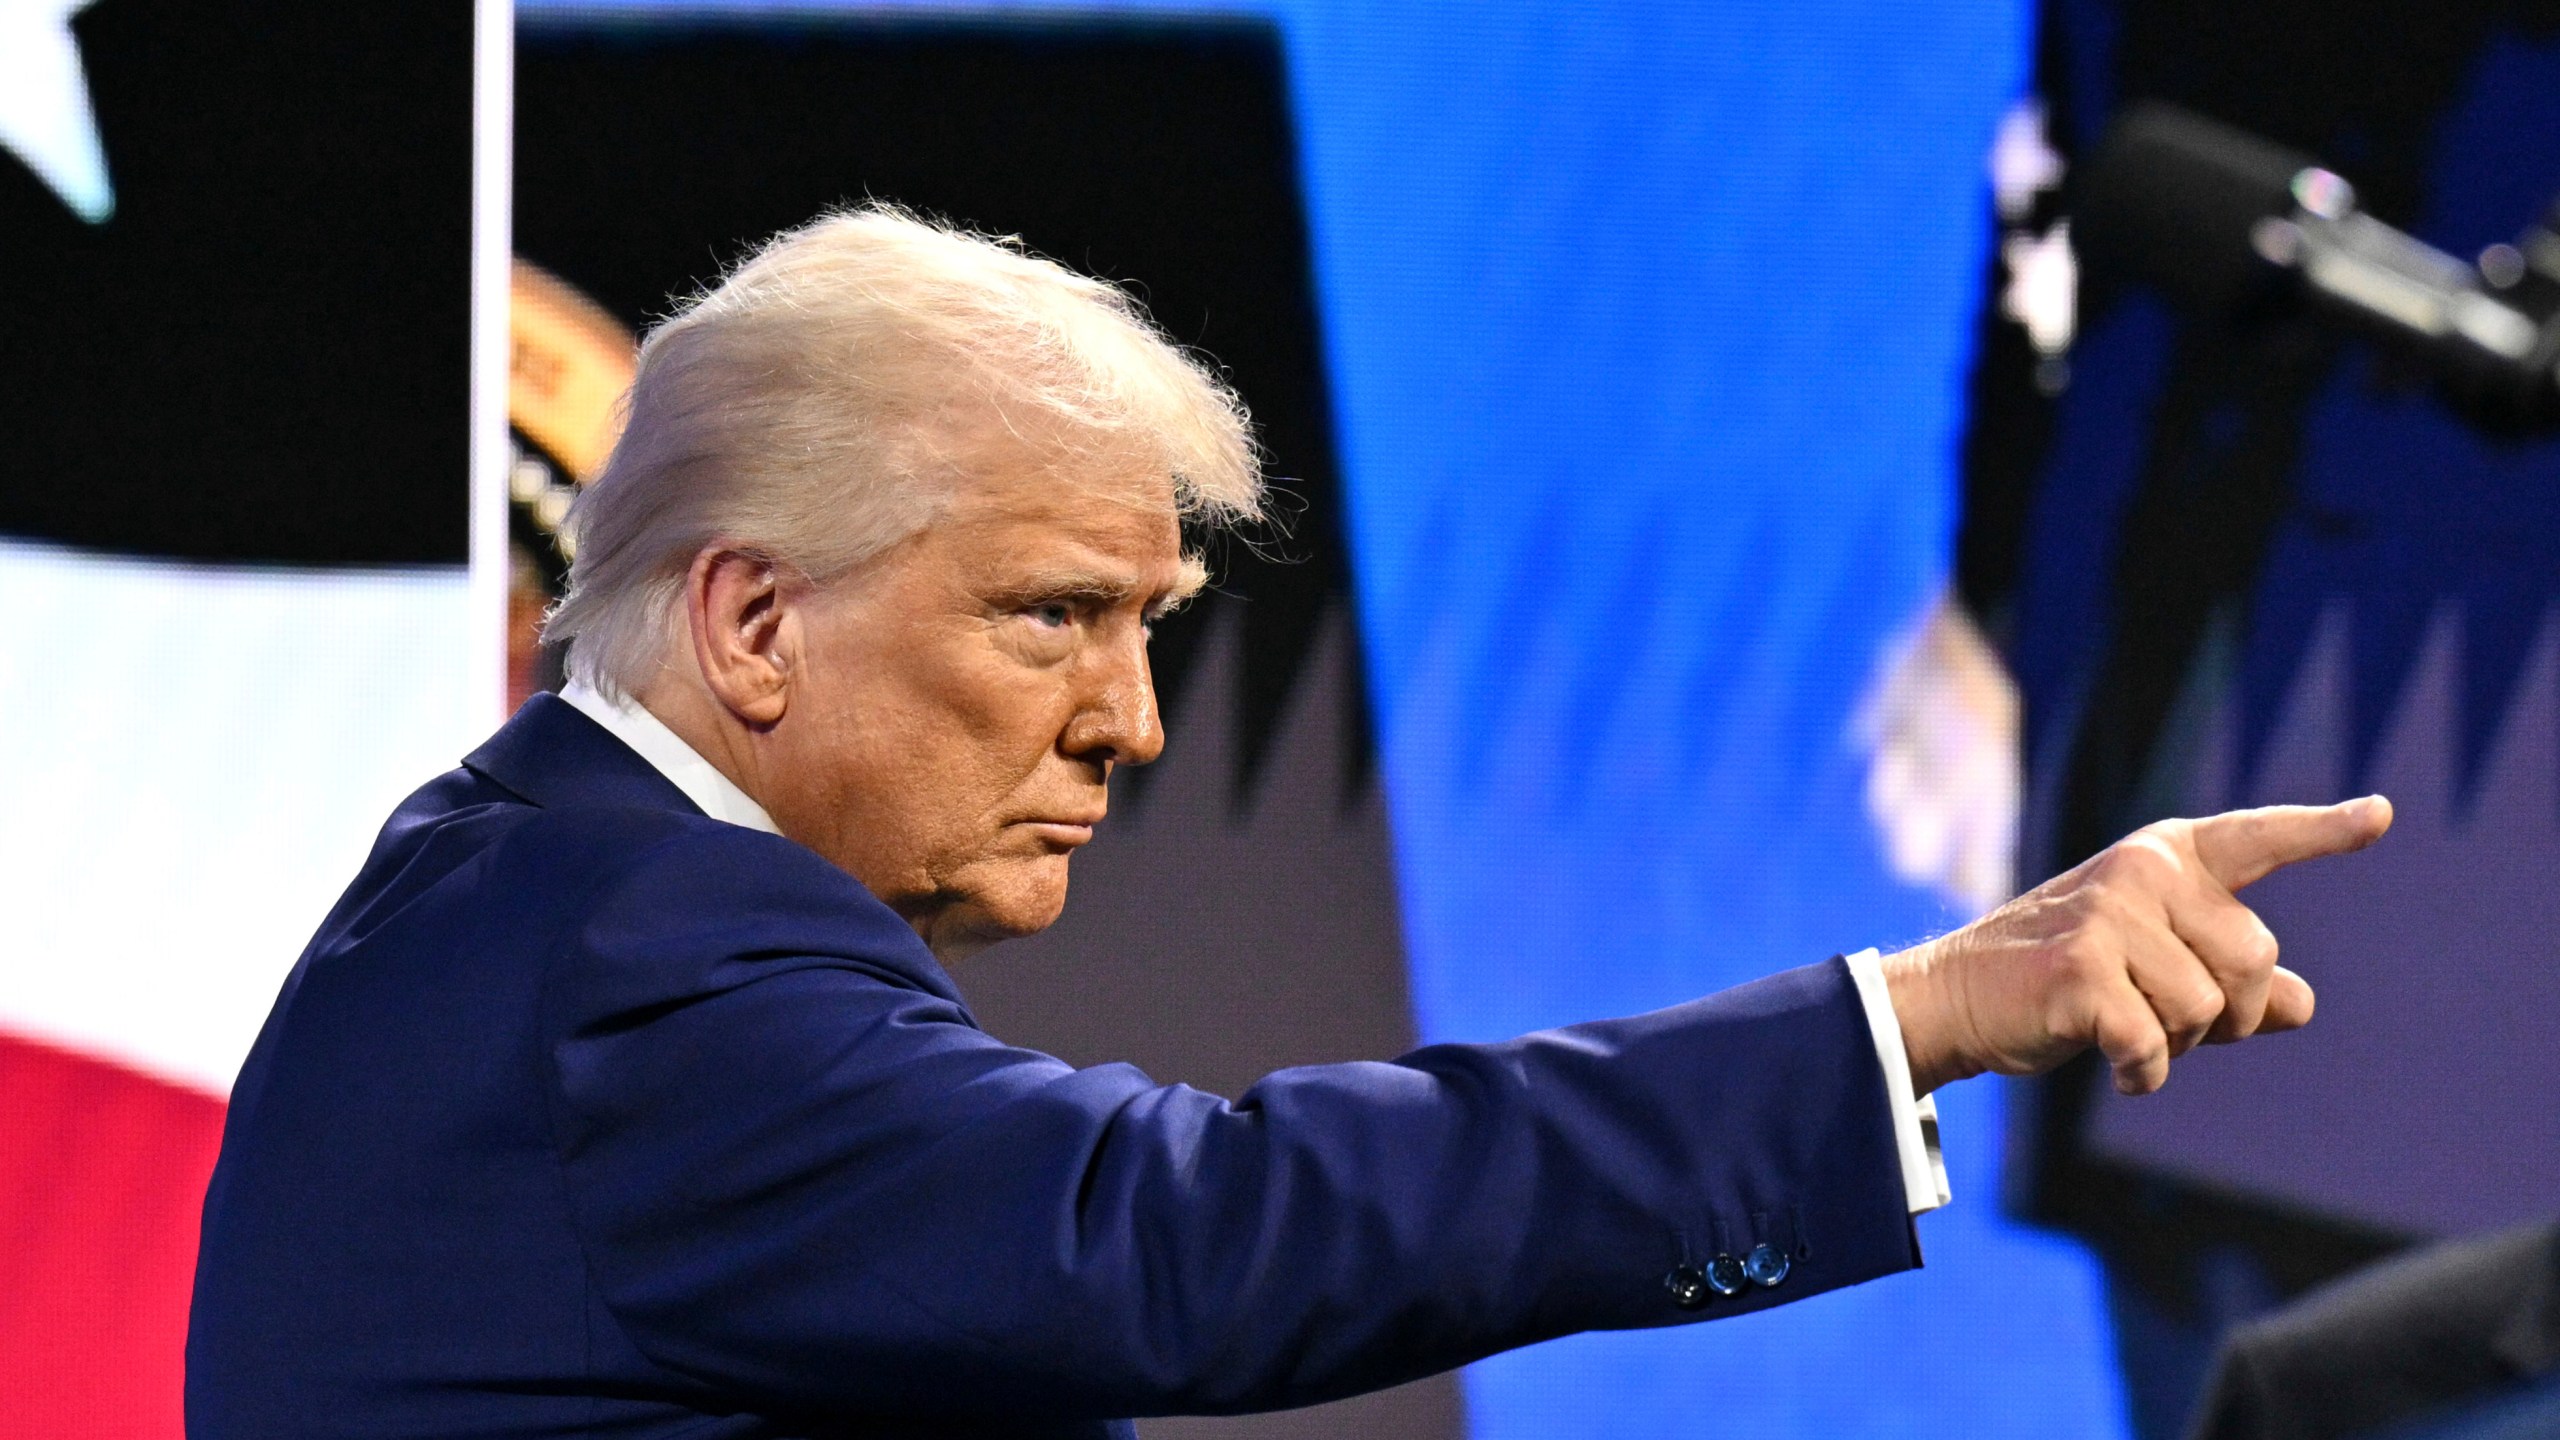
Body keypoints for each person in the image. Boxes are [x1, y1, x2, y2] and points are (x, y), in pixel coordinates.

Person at [184, 206, 2394, 1439]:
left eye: (1145, 628)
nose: (1131, 723)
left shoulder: (522, 882)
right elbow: (1193, 1237)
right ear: (753, 622)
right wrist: (1916, 1015)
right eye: (1053, 617)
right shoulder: (644, 957)